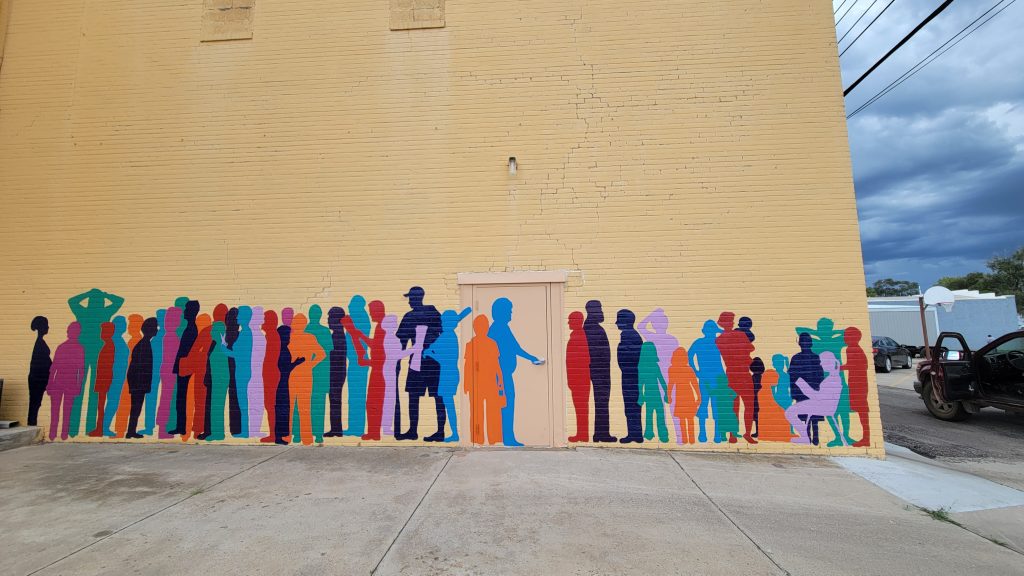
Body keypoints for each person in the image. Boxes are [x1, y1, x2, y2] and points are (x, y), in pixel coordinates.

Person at [66, 288, 124, 437]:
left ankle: (73, 429)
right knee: (94, 392)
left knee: (79, 389)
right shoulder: (104, 313)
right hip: (96, 353)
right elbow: (119, 301)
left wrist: (87, 294)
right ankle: (90, 426)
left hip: (85, 353)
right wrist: (105, 294)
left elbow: (72, 301)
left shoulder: (82, 312)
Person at [488, 297, 545, 447]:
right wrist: (532, 358)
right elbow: (515, 348)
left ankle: (507, 437)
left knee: (506, 405)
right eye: (509, 310)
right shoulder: (499, 328)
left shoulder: (500, 327)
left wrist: (532, 358)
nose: (511, 313)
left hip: (502, 375)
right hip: (500, 376)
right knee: (506, 405)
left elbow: (514, 347)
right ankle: (508, 438)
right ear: (501, 312)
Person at [397, 287, 445, 442]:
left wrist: (397, 361)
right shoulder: (432, 313)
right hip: (430, 362)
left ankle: (416, 431)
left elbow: (402, 342)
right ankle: (437, 431)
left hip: (421, 362)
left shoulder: (410, 316)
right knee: (435, 397)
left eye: (411, 298)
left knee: (416, 397)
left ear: (416, 298)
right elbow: (443, 333)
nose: (409, 301)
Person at [423, 307, 472, 442]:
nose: (442, 324)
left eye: (444, 321)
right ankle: (453, 433)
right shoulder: (448, 335)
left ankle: (455, 434)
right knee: (447, 404)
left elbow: (445, 359)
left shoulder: (448, 336)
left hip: (448, 374)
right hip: (448, 374)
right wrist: (431, 351)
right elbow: (435, 347)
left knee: (449, 404)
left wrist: (430, 354)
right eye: (442, 321)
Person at [637, 308, 680, 443]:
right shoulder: (672, 339)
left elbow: (640, 326)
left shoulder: (652, 339)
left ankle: (655, 433)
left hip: (660, 381)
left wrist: (653, 314)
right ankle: (674, 434)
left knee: (656, 410)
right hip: (668, 377)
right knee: (668, 408)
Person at [786, 352, 844, 445]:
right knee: (792, 410)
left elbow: (818, 397)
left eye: (822, 362)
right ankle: (805, 437)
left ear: (829, 362)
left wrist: (802, 385)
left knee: (789, 412)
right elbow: (821, 396)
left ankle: (805, 438)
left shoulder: (833, 379)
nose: (820, 364)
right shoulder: (833, 377)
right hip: (823, 405)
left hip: (824, 407)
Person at [464, 315, 504, 445]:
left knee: (492, 411)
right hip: (476, 384)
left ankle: (493, 438)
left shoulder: (492, 344)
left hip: (489, 382)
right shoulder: (470, 345)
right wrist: (466, 384)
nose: (482, 329)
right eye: (480, 326)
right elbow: (467, 366)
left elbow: (496, 365)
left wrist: (500, 382)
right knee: (477, 412)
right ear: (475, 328)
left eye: (484, 326)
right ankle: (478, 438)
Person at [716, 312, 756, 444]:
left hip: (731, 374)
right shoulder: (740, 335)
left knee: (734, 407)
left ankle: (733, 435)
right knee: (749, 405)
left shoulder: (719, 340)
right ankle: (747, 433)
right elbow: (751, 348)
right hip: (743, 373)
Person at [288, 314, 325, 445]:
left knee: (291, 408)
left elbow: (321, 354)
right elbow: (321, 354)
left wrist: (309, 365)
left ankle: (290, 436)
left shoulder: (290, 338)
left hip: (292, 377)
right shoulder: (309, 337)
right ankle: (306, 438)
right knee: (304, 409)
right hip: (304, 376)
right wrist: (310, 365)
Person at [688, 320, 727, 443]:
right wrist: (695, 371)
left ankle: (710, 434)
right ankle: (706, 434)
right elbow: (689, 355)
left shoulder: (712, 342)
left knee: (710, 405)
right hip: (711, 378)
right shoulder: (713, 342)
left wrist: (696, 371)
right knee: (708, 405)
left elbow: (689, 355)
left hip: (713, 378)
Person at [46, 323, 85, 441]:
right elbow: (54, 367)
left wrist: (50, 383)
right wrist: (50, 383)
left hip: (63, 382)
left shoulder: (64, 347)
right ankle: (59, 434)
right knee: (62, 410)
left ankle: (56, 434)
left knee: (59, 410)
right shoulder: (77, 348)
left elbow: (54, 367)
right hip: (65, 383)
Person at [584, 300, 616, 443]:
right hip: (599, 372)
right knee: (602, 402)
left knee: (600, 402)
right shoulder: (594, 329)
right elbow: (596, 352)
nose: (602, 312)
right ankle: (601, 433)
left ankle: (601, 433)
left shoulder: (589, 327)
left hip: (598, 371)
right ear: (593, 311)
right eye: (599, 309)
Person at [169, 300, 200, 436]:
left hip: (184, 367)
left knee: (181, 398)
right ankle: (180, 426)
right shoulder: (190, 328)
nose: (184, 312)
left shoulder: (191, 329)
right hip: (183, 366)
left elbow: (187, 351)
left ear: (192, 311)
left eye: (187, 309)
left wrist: (181, 365)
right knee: (180, 398)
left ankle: (181, 427)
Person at [789, 332, 824, 445]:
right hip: (811, 392)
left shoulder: (796, 358)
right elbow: (820, 376)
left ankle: (810, 437)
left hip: (805, 393)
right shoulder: (815, 357)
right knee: (812, 416)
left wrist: (794, 393)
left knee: (808, 417)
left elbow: (792, 377)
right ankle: (813, 437)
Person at [614, 309, 644, 443]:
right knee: (632, 406)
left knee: (631, 405)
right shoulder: (631, 335)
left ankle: (635, 434)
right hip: (631, 375)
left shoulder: (628, 335)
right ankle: (635, 434)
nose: (616, 323)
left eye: (619, 320)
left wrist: (625, 369)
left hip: (631, 377)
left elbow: (629, 356)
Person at [126, 317, 158, 439]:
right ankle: (131, 431)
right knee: (136, 408)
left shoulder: (144, 344)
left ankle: (131, 431)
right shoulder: (144, 345)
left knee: (136, 408)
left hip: (138, 384)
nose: (157, 330)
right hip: (138, 385)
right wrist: (140, 385)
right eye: (155, 328)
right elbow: (138, 367)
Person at [305, 305, 333, 443]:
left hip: (306, 373)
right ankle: (318, 434)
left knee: (306, 405)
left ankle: (307, 432)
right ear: (320, 315)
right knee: (319, 405)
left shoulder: (304, 330)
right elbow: (328, 352)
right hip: (321, 374)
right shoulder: (325, 331)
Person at [842, 327, 872, 447]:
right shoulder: (857, 349)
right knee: (861, 411)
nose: (844, 338)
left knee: (862, 411)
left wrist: (839, 367)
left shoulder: (851, 349)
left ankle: (866, 438)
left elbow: (853, 365)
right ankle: (866, 437)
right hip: (859, 383)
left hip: (857, 384)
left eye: (846, 335)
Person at [754, 357, 795, 442]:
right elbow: (772, 389)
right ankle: (782, 431)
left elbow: (790, 386)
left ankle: (790, 430)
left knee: (788, 415)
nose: (779, 365)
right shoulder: (773, 375)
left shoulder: (785, 375)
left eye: (781, 363)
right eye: (777, 363)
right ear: (774, 364)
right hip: (778, 397)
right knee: (780, 415)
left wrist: (791, 397)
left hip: (785, 397)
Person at [86, 322, 116, 438]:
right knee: (100, 405)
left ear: (109, 333)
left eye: (103, 331)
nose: (101, 334)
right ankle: (99, 428)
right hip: (103, 379)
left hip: (105, 380)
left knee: (101, 405)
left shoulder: (109, 346)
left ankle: (100, 429)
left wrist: (103, 380)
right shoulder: (107, 345)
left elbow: (108, 365)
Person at [157, 307, 182, 439]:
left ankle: (164, 428)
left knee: (167, 399)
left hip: (168, 371)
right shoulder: (170, 337)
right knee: (167, 399)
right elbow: (172, 358)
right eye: (177, 319)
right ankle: (163, 429)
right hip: (170, 372)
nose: (178, 321)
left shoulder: (169, 335)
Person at [566, 311, 592, 443]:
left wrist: (573, 380)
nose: (568, 322)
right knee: (581, 408)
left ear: (577, 321)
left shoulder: (578, 337)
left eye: (570, 320)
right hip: (580, 379)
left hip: (579, 380)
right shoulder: (579, 336)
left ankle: (582, 435)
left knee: (581, 408)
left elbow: (581, 360)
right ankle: (582, 434)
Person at [667, 347, 700, 444]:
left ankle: (685, 439)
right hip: (689, 394)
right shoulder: (688, 369)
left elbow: (671, 384)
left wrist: (669, 395)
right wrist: (698, 396)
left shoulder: (672, 369)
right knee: (690, 419)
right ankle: (691, 439)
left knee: (682, 419)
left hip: (680, 395)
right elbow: (694, 384)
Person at [639, 342, 669, 442]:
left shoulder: (642, 367)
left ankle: (649, 433)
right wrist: (666, 393)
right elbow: (661, 381)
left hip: (650, 394)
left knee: (650, 414)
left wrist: (641, 395)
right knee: (659, 414)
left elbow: (641, 383)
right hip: (655, 394)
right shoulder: (653, 366)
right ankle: (662, 434)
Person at [27, 316, 52, 427]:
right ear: (42, 327)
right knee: (35, 404)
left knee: (35, 404)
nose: (48, 327)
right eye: (46, 325)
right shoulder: (40, 344)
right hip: (38, 380)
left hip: (38, 379)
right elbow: (42, 363)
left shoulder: (40, 342)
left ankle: (31, 425)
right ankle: (31, 425)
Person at [260, 310, 281, 442]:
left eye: (265, 319)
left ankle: (274, 434)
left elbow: (269, 358)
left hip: (271, 376)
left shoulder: (272, 336)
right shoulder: (271, 336)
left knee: (270, 405)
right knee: (270, 405)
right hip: (270, 374)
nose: (262, 322)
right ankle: (274, 433)